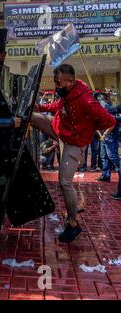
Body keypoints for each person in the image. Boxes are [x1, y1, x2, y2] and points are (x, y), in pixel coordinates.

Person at [30, 64, 116, 243]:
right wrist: (39, 107)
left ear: (70, 80)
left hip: (74, 142)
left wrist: (88, 129)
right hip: (59, 129)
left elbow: (109, 120)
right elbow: (57, 107)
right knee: (29, 116)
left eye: (58, 82)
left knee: (64, 182)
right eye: (55, 82)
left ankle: (73, 223)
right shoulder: (67, 93)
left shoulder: (87, 101)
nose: (56, 86)